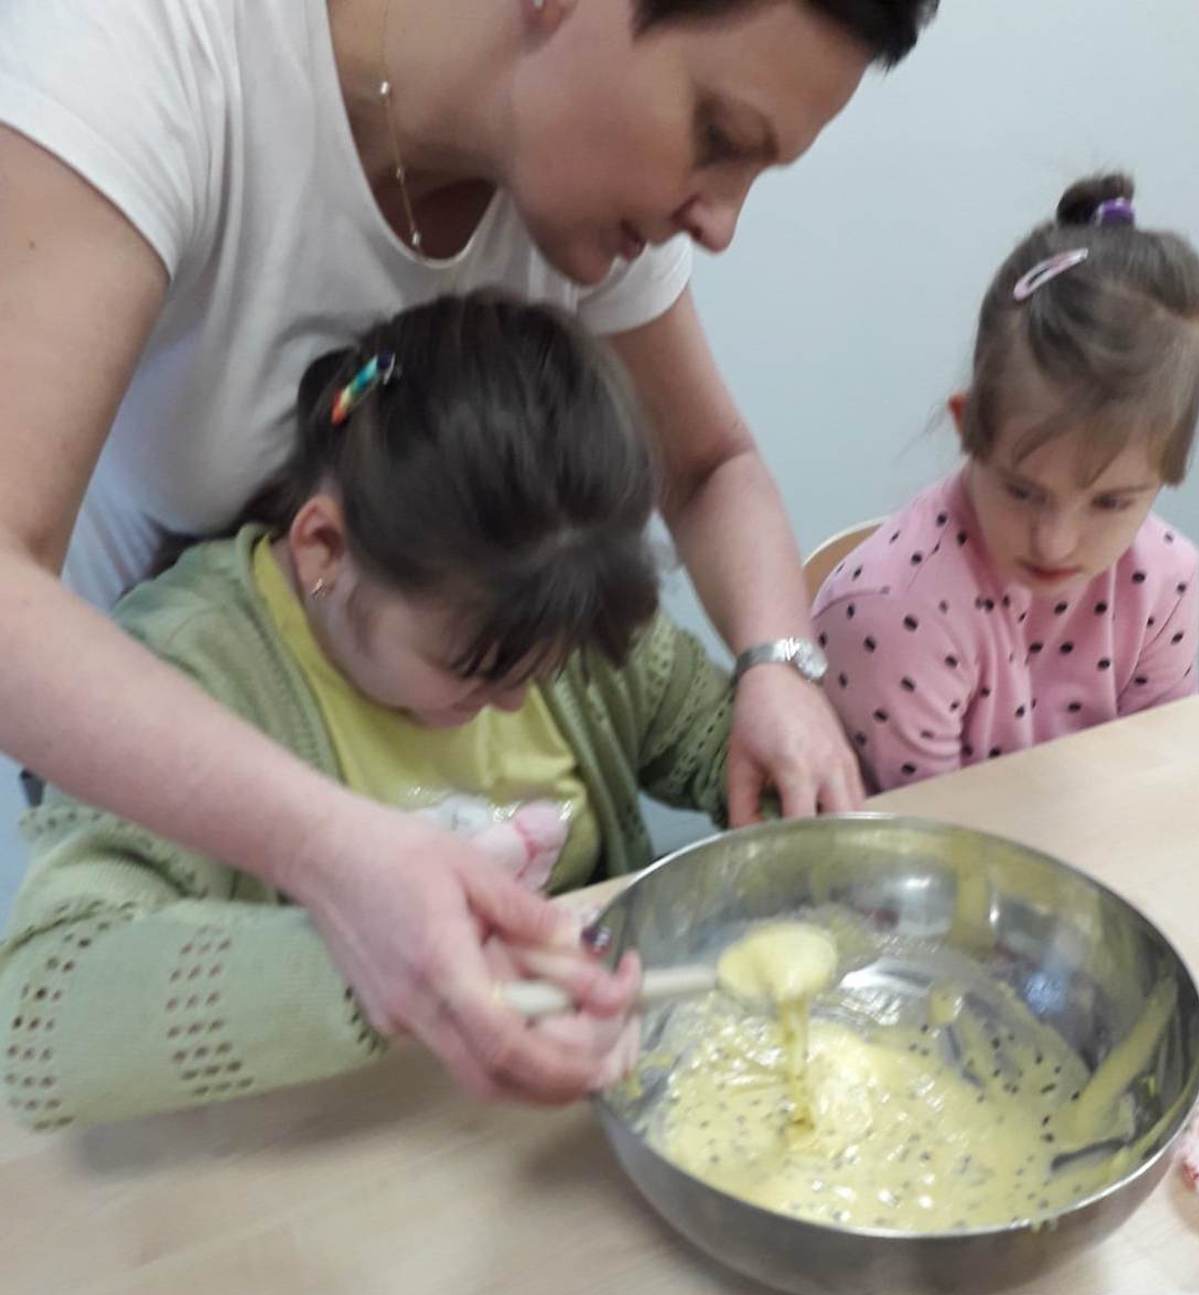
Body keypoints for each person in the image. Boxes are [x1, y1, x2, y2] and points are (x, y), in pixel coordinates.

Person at [0, 0, 936, 1105]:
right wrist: (336, 881)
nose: (721, 224)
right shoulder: (150, 54)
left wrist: (777, 665)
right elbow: (47, 1018)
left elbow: (708, 465)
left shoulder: (583, 194)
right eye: (718, 135)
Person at [0, 293, 743, 1131]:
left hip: (543, 1133)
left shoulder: (556, 597)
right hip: (323, 1147)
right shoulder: (189, 671)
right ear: (323, 549)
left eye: (550, 667)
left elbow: (715, 743)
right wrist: (378, 973)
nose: (515, 701)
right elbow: (40, 1016)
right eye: (472, 671)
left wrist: (786, 723)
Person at [813, 173, 1199, 793]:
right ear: (968, 426)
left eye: (1110, 502)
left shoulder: (1165, 578)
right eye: (1023, 491)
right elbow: (929, 838)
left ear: (1168, 472)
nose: (1055, 542)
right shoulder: (892, 611)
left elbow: (1155, 787)